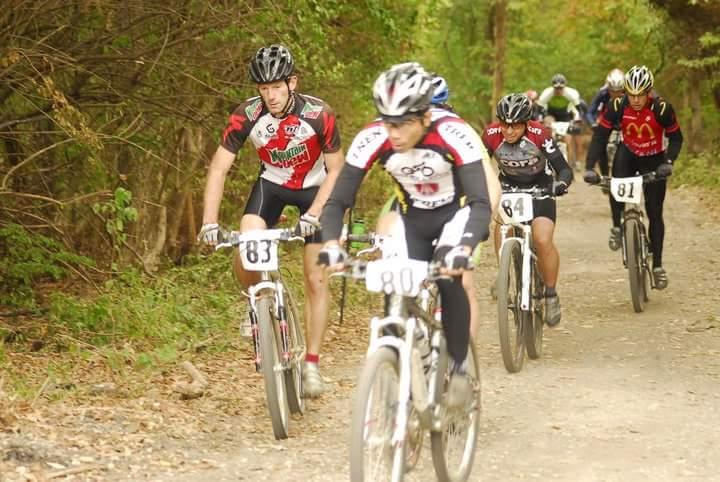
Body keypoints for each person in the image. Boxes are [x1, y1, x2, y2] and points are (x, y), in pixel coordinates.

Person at [318, 62, 498, 407]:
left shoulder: (455, 134)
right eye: (387, 122)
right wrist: (330, 243)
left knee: (450, 278)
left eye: (402, 124)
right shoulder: (373, 137)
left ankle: (459, 368)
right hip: (411, 216)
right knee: (395, 285)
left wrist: (463, 247)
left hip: (455, 213)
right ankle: (396, 369)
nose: (393, 133)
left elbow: (478, 203)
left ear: (425, 118)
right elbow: (339, 199)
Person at [197, 44, 345, 398]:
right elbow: (218, 168)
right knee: (247, 241)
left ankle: (311, 363)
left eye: (277, 87)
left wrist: (314, 213)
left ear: (292, 83)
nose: (271, 96)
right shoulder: (246, 115)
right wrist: (209, 221)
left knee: (315, 277)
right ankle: (259, 306)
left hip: (316, 190)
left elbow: (337, 169)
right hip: (272, 186)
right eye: (263, 89)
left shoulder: (318, 114)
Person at [584, 65, 682, 289]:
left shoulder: (662, 108)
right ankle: (618, 226)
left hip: (655, 158)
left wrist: (669, 162)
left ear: (649, 92)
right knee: (615, 183)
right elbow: (600, 136)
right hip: (628, 153)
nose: (636, 99)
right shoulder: (616, 105)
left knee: (655, 213)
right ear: (625, 92)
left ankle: (657, 265)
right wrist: (590, 167)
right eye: (631, 94)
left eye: (641, 94)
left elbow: (676, 138)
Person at [482, 93, 573, 326]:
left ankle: (551, 294)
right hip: (509, 187)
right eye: (504, 124)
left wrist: (560, 184)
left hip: (540, 187)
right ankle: (505, 274)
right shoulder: (491, 136)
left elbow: (563, 168)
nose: (509, 131)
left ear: (526, 123)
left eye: (515, 126)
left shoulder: (540, 134)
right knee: (503, 226)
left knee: (542, 240)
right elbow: (478, 166)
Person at [538, 73, 585, 165]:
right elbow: (539, 109)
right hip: (551, 114)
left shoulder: (571, 94)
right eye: (556, 88)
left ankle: (569, 164)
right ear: (553, 87)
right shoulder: (547, 93)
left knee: (567, 140)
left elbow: (579, 110)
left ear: (564, 87)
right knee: (548, 125)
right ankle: (548, 153)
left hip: (565, 115)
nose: (558, 91)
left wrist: (578, 119)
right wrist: (541, 119)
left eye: (560, 88)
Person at [585, 68, 625, 176]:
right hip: (607, 120)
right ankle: (598, 171)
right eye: (612, 91)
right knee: (599, 140)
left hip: (624, 121)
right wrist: (592, 123)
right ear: (608, 88)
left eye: (619, 91)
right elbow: (590, 112)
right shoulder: (602, 93)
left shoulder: (631, 94)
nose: (615, 94)